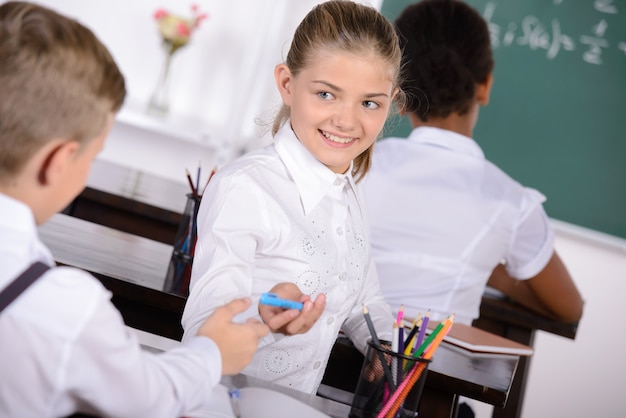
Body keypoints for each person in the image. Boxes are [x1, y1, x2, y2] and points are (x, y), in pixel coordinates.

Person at [0, 2, 268, 417]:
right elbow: (149, 398)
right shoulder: (60, 308)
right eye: (93, 156)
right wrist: (212, 354)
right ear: (57, 162)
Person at [182, 0, 403, 394]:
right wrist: (264, 317)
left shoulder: (350, 191)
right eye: (326, 94)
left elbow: (363, 300)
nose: (347, 120)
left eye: (369, 103)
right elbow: (204, 323)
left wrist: (383, 341)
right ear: (287, 84)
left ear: (390, 103)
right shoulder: (247, 187)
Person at [364, 0, 584, 327]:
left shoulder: (358, 165)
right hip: (436, 373)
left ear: (398, 91)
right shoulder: (510, 202)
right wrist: (494, 273)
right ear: (484, 85)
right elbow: (570, 307)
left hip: (330, 364)